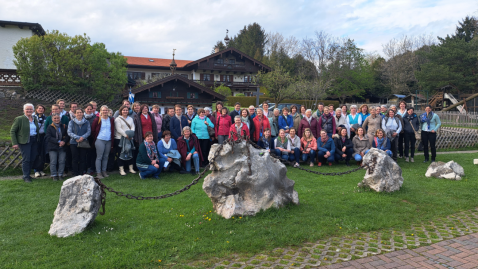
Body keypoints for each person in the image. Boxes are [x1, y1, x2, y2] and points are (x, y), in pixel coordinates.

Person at [10, 103, 39, 182]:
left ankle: (28, 174)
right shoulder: (19, 119)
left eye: (30, 109)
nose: (29, 110)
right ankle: (25, 176)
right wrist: (15, 143)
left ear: (33, 110)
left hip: (34, 140)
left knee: (32, 158)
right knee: (26, 159)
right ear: (24, 110)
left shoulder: (34, 118)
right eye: (27, 109)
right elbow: (13, 131)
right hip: (24, 141)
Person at [91, 105, 115, 179]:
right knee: (99, 157)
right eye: (103, 110)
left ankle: (104, 171)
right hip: (100, 140)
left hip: (108, 140)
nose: (105, 112)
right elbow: (93, 130)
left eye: (106, 110)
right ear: (100, 111)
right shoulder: (97, 119)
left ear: (108, 111)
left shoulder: (111, 119)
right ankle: (98, 173)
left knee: (106, 156)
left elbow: (113, 129)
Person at [67, 108, 91, 176]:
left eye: (80, 112)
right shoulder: (71, 122)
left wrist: (82, 137)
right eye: (77, 112)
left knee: (82, 158)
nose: (79, 114)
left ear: (83, 113)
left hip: (83, 142)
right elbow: (69, 132)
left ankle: (81, 172)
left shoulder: (87, 122)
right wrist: (77, 137)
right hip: (74, 142)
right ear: (75, 114)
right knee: (75, 158)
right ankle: (75, 173)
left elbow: (89, 132)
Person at [45, 113, 69, 181]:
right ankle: (54, 175)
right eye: (55, 118)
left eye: (57, 118)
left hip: (63, 146)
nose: (56, 119)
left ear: (60, 118)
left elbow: (67, 136)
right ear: (52, 119)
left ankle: (61, 174)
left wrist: (63, 142)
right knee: (53, 161)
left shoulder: (64, 126)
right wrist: (58, 141)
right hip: (53, 146)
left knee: (62, 161)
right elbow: (48, 137)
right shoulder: (50, 127)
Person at [114, 105, 136, 176]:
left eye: (126, 110)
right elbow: (118, 129)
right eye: (124, 110)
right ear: (121, 111)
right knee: (121, 154)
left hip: (129, 138)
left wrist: (130, 135)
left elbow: (133, 127)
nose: (125, 111)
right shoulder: (118, 119)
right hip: (120, 139)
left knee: (130, 153)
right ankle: (121, 170)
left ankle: (131, 168)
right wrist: (126, 135)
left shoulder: (130, 119)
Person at [33, 104, 47, 177]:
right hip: (36, 136)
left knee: (42, 153)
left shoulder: (46, 118)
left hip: (43, 136)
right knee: (36, 153)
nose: (40, 110)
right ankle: (36, 170)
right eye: (39, 108)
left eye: (42, 108)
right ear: (36, 109)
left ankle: (41, 169)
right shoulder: (33, 117)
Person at [84, 104, 97, 175]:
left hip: (92, 138)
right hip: (83, 138)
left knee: (92, 154)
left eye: (90, 109)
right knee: (84, 154)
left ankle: (91, 168)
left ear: (93, 110)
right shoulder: (82, 117)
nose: (89, 110)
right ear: (85, 109)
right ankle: (84, 168)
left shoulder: (95, 118)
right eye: (87, 109)